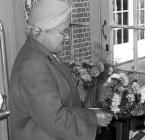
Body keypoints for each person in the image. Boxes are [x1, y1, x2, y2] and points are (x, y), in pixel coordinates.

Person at [8, 0, 113, 140]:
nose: (68, 36)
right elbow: (55, 120)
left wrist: (90, 113)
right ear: (40, 32)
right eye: (63, 32)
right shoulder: (33, 65)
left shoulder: (42, 53)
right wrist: (92, 118)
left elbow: (59, 105)